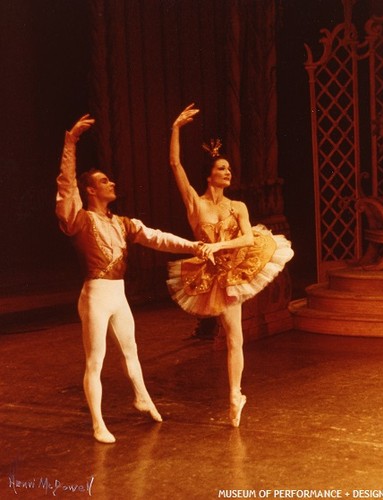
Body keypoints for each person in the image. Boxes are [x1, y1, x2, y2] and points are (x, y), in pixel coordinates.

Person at [56, 114, 206, 444]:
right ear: (91, 189)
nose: (112, 184)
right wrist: (70, 143)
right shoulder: (79, 220)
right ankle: (98, 423)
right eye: (105, 181)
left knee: (131, 351)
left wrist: (194, 245)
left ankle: (141, 397)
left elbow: (158, 237)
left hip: (118, 295)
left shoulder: (123, 223)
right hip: (95, 295)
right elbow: (66, 186)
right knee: (95, 360)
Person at [167, 104, 294, 427]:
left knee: (235, 338)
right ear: (209, 175)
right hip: (209, 276)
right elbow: (175, 164)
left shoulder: (238, 206)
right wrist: (176, 129)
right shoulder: (195, 203)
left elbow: (248, 239)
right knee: (224, 335)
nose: (227, 172)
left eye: (229, 169)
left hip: (233, 273)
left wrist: (219, 244)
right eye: (221, 168)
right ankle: (234, 393)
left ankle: (235, 396)